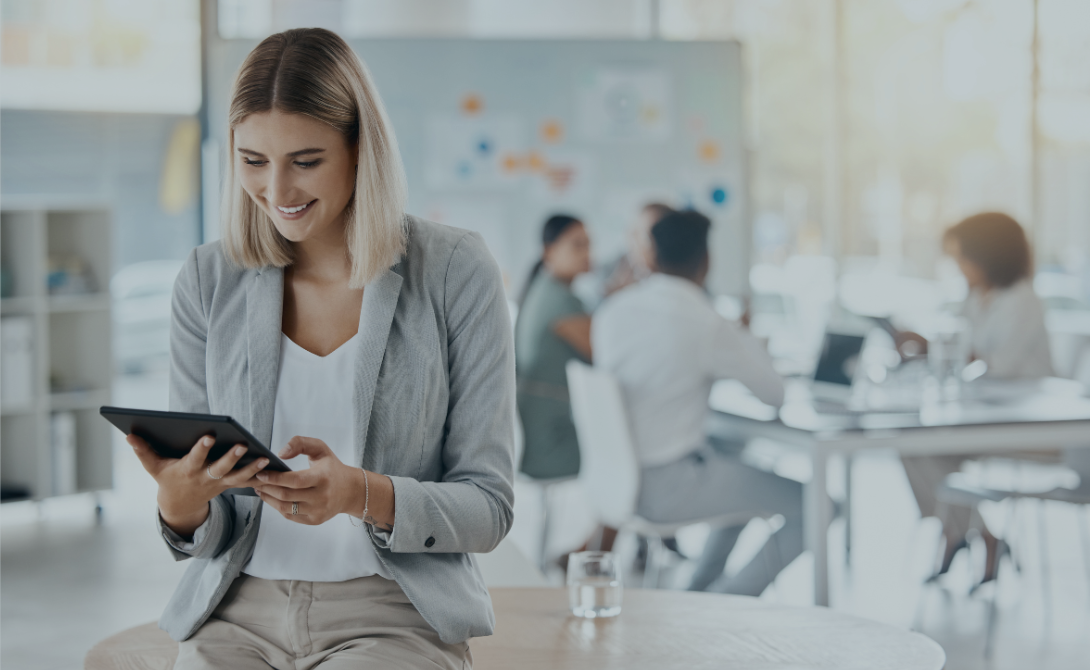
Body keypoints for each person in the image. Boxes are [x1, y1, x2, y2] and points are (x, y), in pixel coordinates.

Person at [127, 29, 514, 669]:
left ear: (360, 149)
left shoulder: (452, 271)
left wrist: (360, 493)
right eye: (253, 161)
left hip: (392, 614)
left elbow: (488, 507)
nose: (276, 190)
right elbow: (210, 527)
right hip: (234, 612)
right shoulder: (207, 279)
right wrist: (179, 504)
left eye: (305, 161)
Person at [593, 209, 804, 595]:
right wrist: (744, 338)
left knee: (739, 471)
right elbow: (776, 394)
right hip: (669, 489)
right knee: (816, 504)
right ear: (707, 261)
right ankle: (727, 600)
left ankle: (701, 591)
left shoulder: (611, 312)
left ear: (651, 257)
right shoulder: (705, 322)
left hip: (619, 480)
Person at [900, 212, 1052, 585]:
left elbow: (998, 365)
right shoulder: (976, 297)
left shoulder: (1024, 300)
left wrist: (943, 348)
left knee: (926, 450)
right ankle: (978, 533)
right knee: (911, 445)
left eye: (963, 258)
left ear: (989, 256)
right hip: (979, 418)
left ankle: (963, 534)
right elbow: (959, 347)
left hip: (1026, 425)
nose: (960, 268)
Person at [515, 214, 593, 480]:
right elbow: (605, 354)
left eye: (588, 244)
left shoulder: (543, 290)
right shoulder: (559, 302)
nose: (587, 253)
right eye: (577, 245)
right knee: (629, 449)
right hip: (547, 444)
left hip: (531, 439)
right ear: (549, 251)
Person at [602, 202, 675, 297]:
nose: (635, 243)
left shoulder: (679, 278)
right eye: (635, 234)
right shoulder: (612, 271)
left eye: (647, 237)